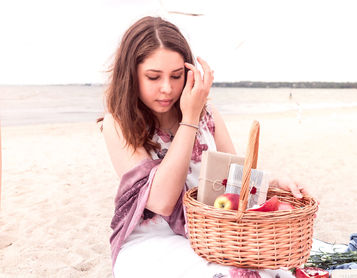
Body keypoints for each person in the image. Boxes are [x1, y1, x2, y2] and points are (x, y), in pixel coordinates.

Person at [98, 16, 307, 278]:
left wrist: (276, 181)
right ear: (131, 76)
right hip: (151, 244)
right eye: (153, 77)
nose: (167, 88)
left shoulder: (209, 115)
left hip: (214, 236)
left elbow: (236, 180)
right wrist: (190, 118)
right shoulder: (118, 124)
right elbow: (162, 202)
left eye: (176, 76)